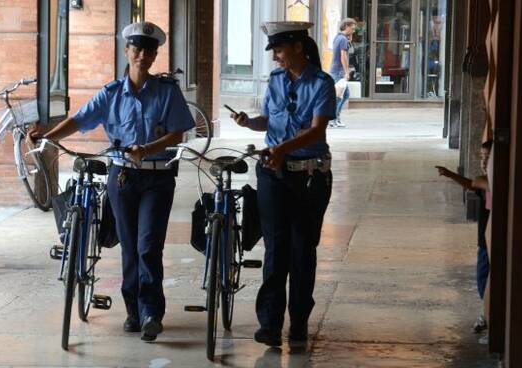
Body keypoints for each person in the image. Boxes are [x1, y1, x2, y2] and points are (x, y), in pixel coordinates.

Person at [29, 21, 195, 342]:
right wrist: (48, 136)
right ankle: (133, 311)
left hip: (158, 178)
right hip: (122, 178)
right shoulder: (111, 94)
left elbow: (179, 132)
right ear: (127, 51)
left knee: (149, 246)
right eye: (137, 49)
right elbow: (79, 119)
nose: (143, 56)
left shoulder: (167, 91)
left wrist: (147, 148)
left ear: (155, 54)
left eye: (149, 51)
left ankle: (151, 312)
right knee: (130, 247)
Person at [231, 21, 336, 347]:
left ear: (298, 48)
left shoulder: (322, 83)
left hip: (309, 176)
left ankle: (299, 321)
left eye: (279, 50)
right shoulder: (275, 81)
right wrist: (250, 123)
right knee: (275, 248)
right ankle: (271, 324)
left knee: (302, 249)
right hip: (272, 174)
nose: (275, 57)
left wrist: (281, 148)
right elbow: (270, 121)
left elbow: (317, 130)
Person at [435, 140, 492, 337]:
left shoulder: (493, 182)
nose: (484, 162)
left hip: (492, 242)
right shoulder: (487, 183)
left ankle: (488, 318)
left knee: (487, 281)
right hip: (484, 242)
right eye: (483, 158)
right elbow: (471, 184)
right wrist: (450, 174)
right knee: (483, 280)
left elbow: (477, 182)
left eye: (488, 158)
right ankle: (487, 314)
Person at [328, 18, 357, 128]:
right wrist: (346, 72)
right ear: (346, 26)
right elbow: (343, 56)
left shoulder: (338, 37)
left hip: (335, 71)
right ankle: (333, 119)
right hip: (339, 72)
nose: (353, 31)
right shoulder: (343, 40)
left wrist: (350, 37)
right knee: (339, 96)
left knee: (343, 95)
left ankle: (335, 118)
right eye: (352, 29)